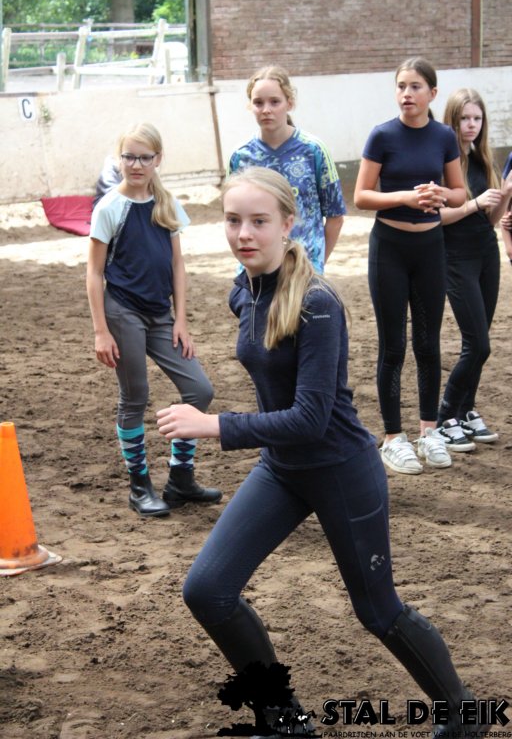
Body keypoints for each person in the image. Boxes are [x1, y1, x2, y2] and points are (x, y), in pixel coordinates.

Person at [156, 167, 486, 739]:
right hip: (282, 470)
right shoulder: (244, 290)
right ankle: (285, 720)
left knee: (378, 612)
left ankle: (464, 717)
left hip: (341, 470)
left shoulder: (318, 303)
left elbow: (310, 418)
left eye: (259, 221)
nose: (244, 234)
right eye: (233, 221)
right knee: (207, 591)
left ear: (288, 223)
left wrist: (213, 425)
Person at [86, 122, 221, 517]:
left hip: (161, 315)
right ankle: (139, 485)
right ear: (119, 158)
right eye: (129, 156)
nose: (136, 164)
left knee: (199, 389)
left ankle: (180, 478)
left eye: (145, 157)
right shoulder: (109, 207)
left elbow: (177, 264)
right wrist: (100, 330)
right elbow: (94, 272)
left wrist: (181, 320)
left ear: (158, 159)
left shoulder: (167, 203)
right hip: (122, 311)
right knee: (135, 396)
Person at [354, 56, 467, 475]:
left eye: (415, 86)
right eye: (401, 86)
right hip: (390, 247)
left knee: (428, 343)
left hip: (430, 248)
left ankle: (429, 431)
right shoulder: (382, 135)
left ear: (432, 93)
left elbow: (460, 192)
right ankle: (392, 437)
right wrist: (404, 197)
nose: (407, 93)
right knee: (393, 346)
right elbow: (361, 196)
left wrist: (440, 194)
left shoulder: (444, 136)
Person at [437, 89, 512, 443]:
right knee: (478, 344)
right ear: (452, 120)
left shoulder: (484, 160)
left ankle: (466, 410)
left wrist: (506, 194)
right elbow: (439, 217)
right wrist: (474, 203)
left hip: (486, 255)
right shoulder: (443, 162)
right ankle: (444, 416)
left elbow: (492, 220)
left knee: (481, 341)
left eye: (477, 118)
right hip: (455, 257)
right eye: (464, 118)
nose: (471, 125)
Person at [227, 64, 346, 274]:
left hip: (304, 271)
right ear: (250, 106)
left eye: (274, 102)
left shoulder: (314, 150)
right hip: (256, 274)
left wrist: (316, 265)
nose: (266, 110)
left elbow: (335, 215)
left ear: (289, 103)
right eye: (258, 102)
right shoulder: (240, 156)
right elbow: (233, 215)